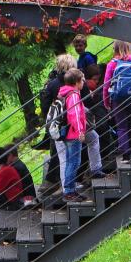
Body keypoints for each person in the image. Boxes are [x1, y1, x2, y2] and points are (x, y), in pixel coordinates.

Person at [39, 54, 77, 194]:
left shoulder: (52, 84)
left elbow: (45, 105)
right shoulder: (71, 82)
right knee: (66, 156)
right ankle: (66, 185)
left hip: (55, 124)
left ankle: (56, 182)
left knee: (59, 154)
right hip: (69, 123)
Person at [103, 41, 131, 160]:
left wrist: (106, 102)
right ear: (127, 48)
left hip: (117, 100)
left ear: (114, 49)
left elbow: (106, 86)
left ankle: (126, 156)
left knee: (121, 127)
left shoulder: (112, 65)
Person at [55, 68, 88, 201]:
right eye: (83, 79)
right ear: (76, 82)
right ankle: (69, 191)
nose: (84, 82)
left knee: (71, 162)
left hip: (69, 133)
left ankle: (70, 189)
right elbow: (74, 114)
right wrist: (80, 131)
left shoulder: (66, 93)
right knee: (74, 162)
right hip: (73, 134)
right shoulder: (73, 95)